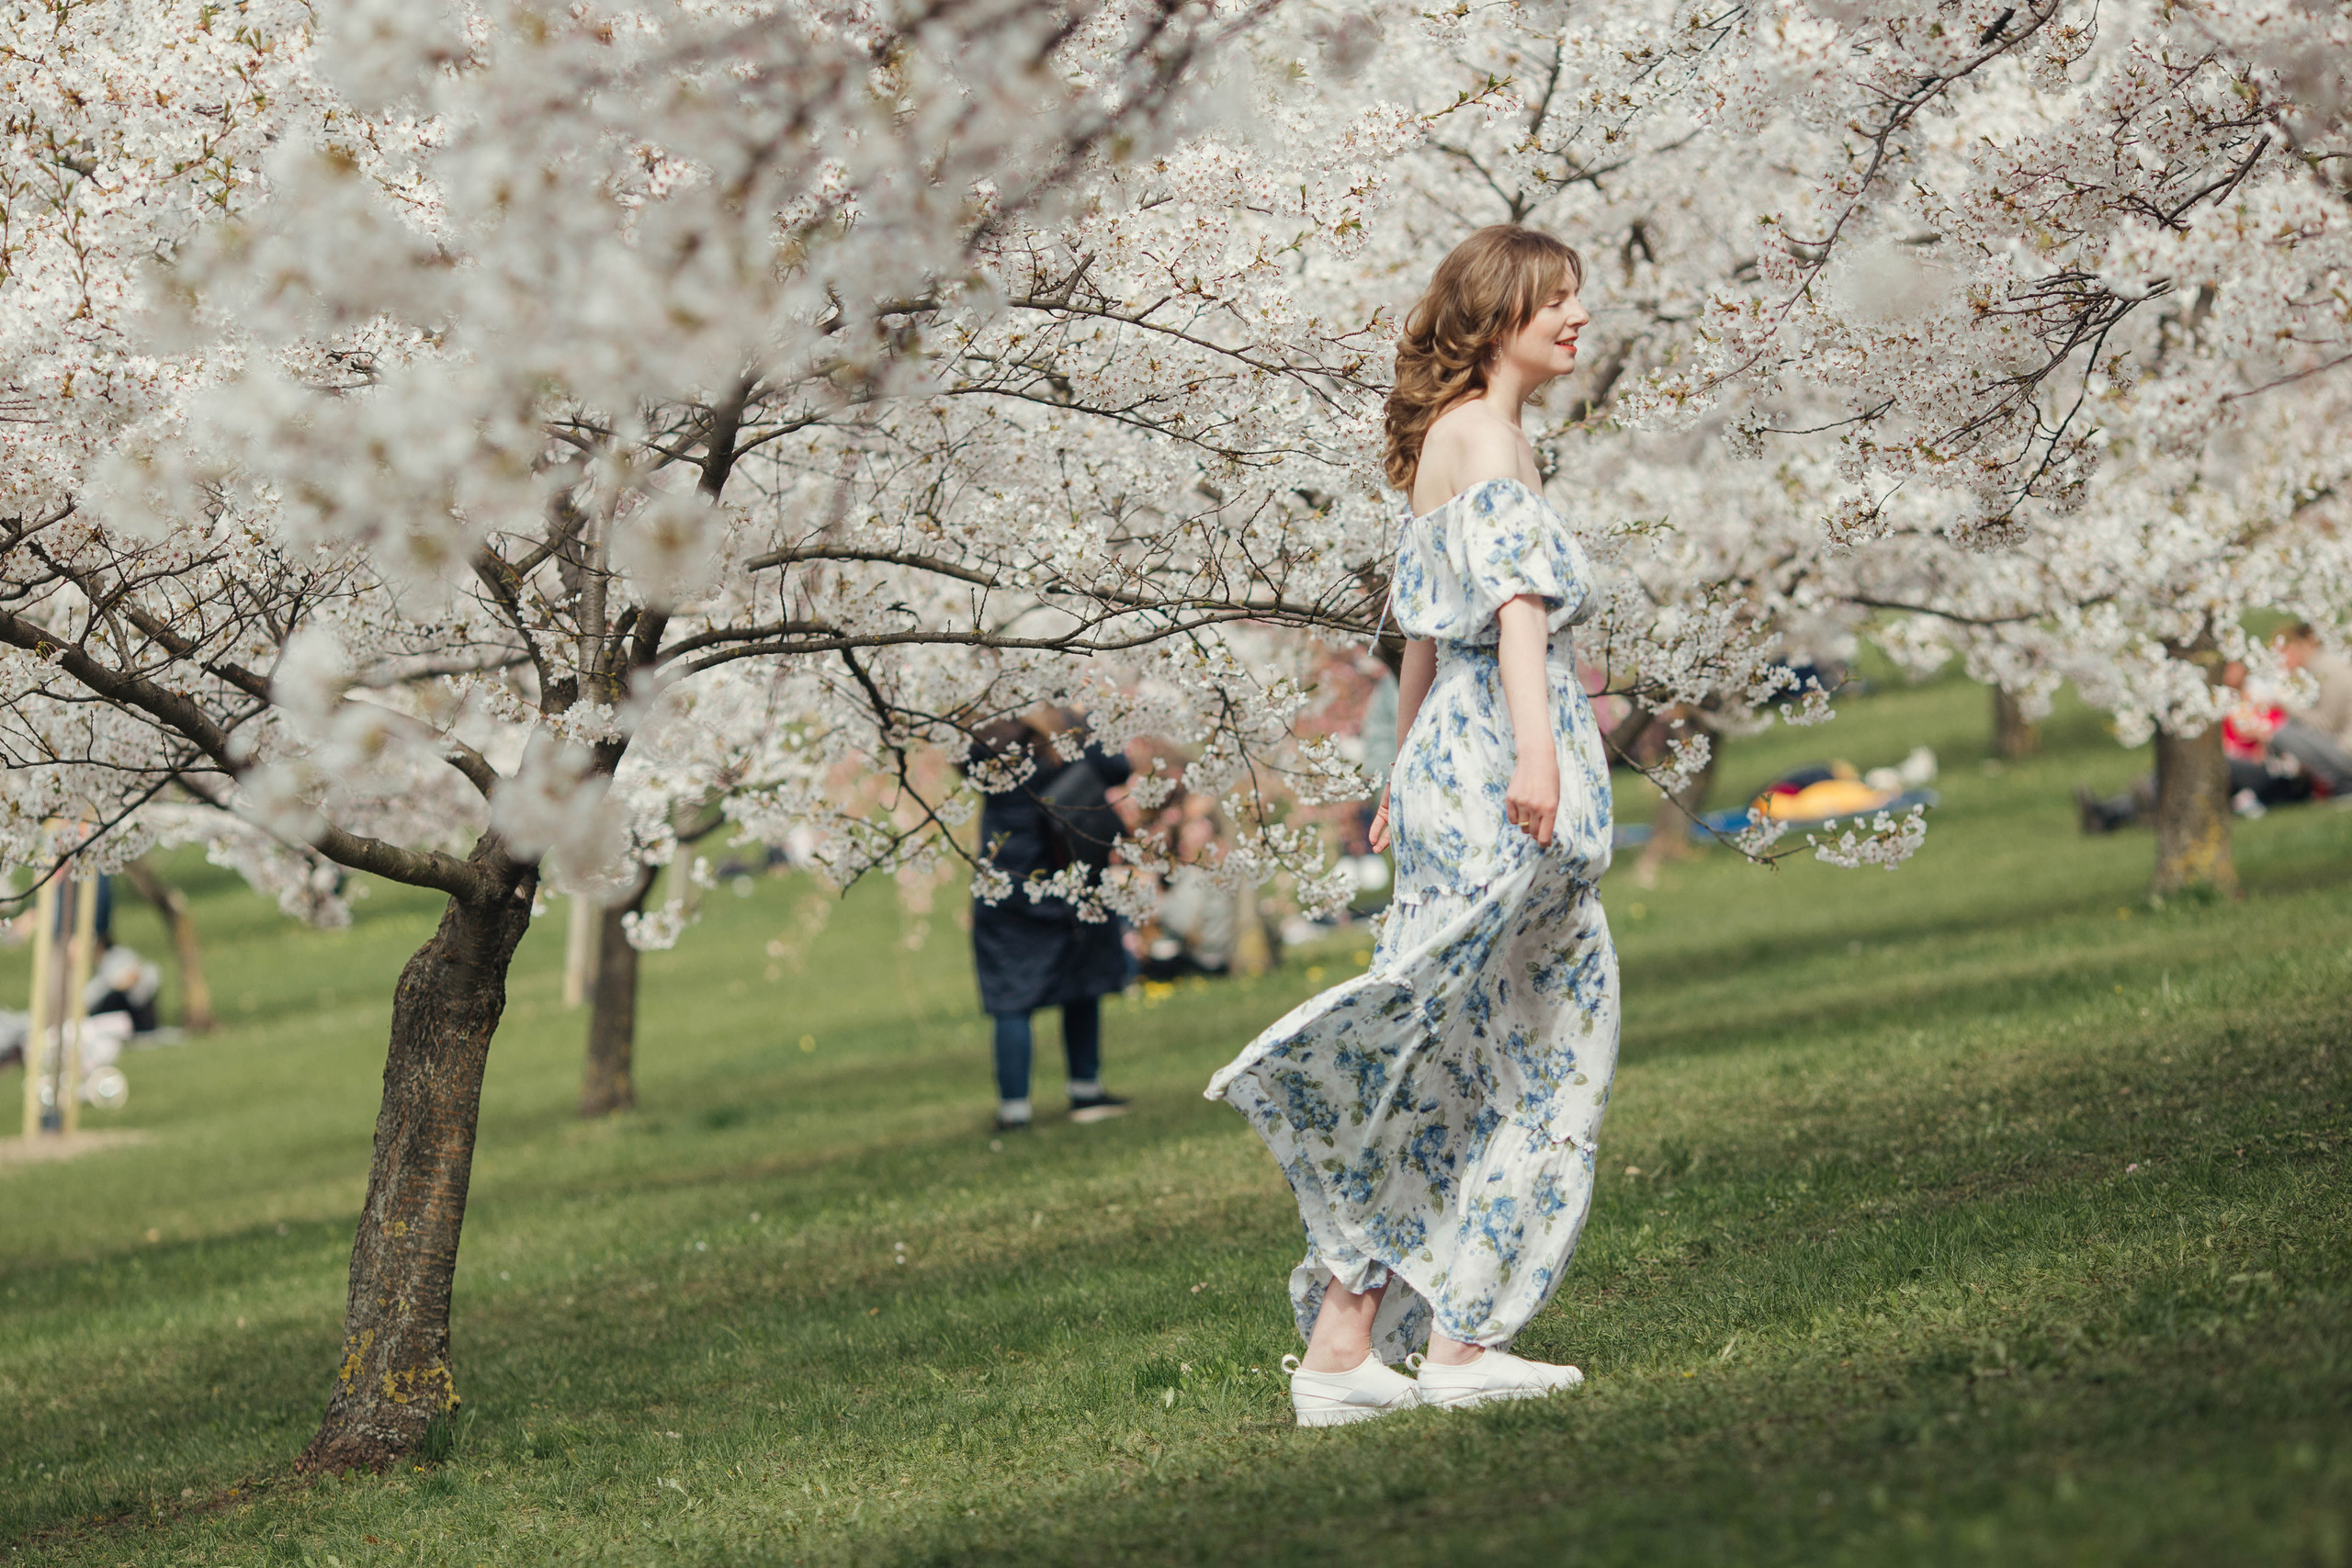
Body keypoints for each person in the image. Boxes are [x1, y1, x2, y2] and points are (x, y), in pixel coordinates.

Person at [1207, 223, 1615, 1427]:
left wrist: (1404, 767)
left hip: (1451, 755)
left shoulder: (1446, 438)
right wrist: (1536, 750)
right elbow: (1511, 606)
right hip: (1499, 752)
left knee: (1454, 1029)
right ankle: (1444, 1335)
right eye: (1556, 300)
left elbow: (1417, 636)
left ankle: (1375, 1339)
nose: (1578, 317)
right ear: (1498, 319)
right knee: (1533, 1039)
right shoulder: (1491, 435)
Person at [965, 710, 1135, 1132]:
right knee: (1082, 984)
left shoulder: (987, 745)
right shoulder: (1066, 741)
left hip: (1008, 888)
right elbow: (1119, 765)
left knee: (1012, 998)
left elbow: (957, 754)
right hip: (1071, 878)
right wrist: (1079, 716)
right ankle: (1085, 1089)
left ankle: (1015, 1110)